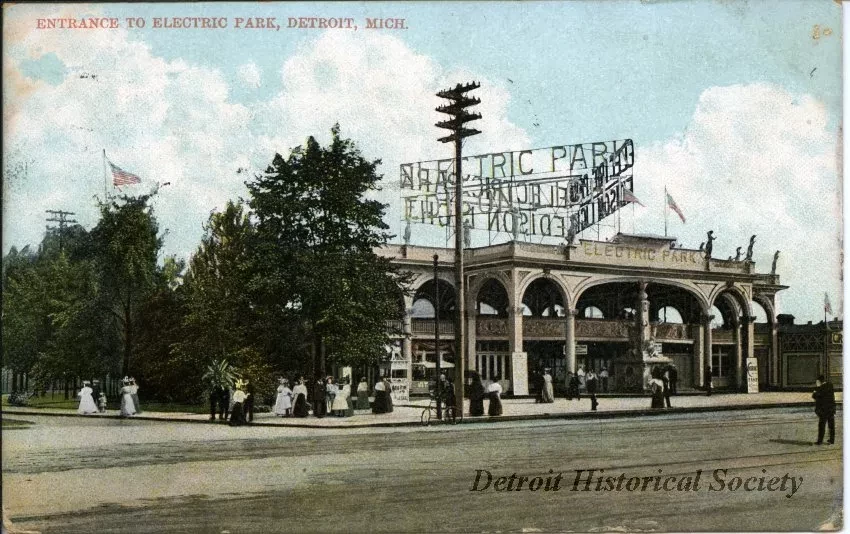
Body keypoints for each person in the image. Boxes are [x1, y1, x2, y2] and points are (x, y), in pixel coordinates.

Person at [812, 375, 836, 445]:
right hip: (831, 409)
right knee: (831, 426)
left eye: (817, 382)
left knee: (821, 426)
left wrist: (816, 389)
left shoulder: (820, 388)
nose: (816, 383)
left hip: (823, 411)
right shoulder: (830, 385)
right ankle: (832, 440)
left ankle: (820, 441)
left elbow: (814, 396)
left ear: (819, 381)